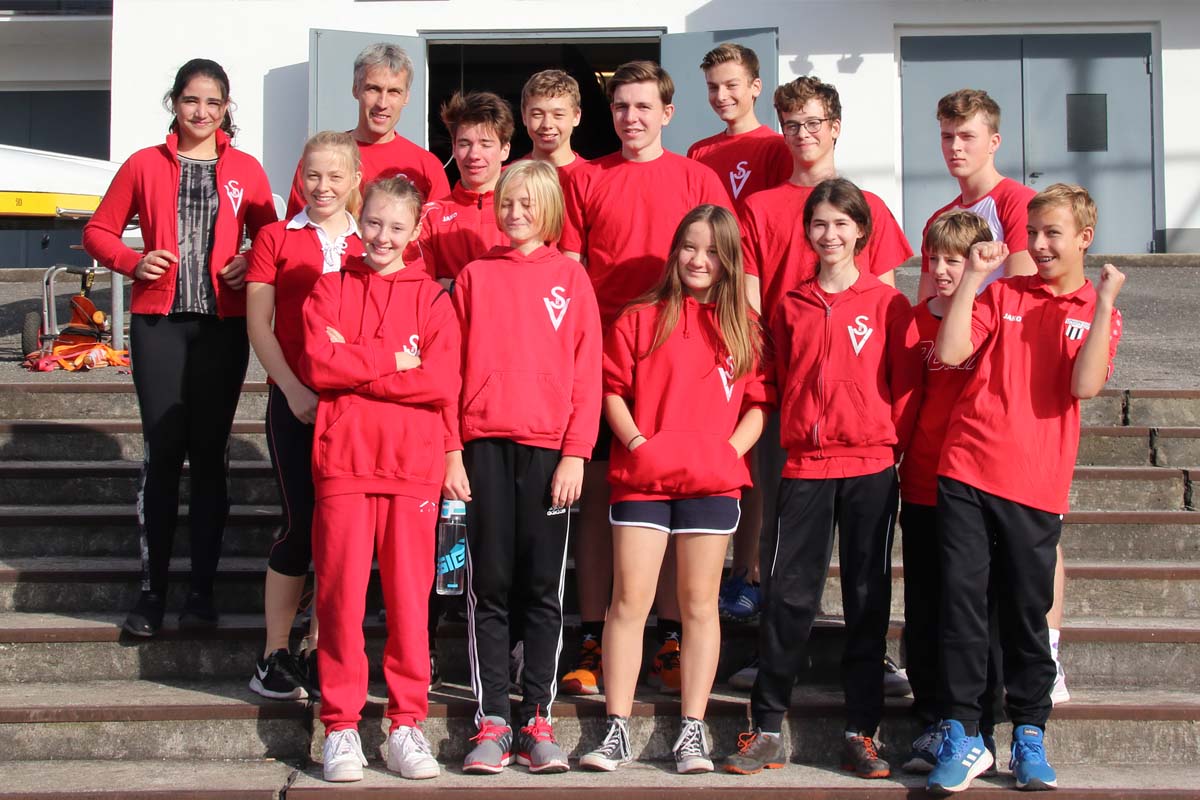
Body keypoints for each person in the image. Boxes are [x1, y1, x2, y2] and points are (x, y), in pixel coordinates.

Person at [927, 183, 1124, 795]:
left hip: (1036, 484)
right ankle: (966, 733)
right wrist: (972, 282)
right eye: (1031, 232)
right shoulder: (1004, 291)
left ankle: (1030, 733)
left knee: (1025, 614)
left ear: (1083, 239)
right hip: (966, 469)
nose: (1037, 245)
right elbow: (951, 349)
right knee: (960, 608)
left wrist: (1105, 301)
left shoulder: (1100, 309)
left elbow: (1086, 386)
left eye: (1052, 234)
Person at [725, 178, 920, 780]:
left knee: (867, 599)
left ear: (862, 231)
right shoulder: (791, 304)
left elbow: (907, 388)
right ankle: (766, 727)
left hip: (869, 466)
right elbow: (771, 379)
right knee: (788, 597)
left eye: (842, 224)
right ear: (806, 232)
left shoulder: (889, 306)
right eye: (819, 224)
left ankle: (862, 732)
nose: (830, 234)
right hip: (805, 466)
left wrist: (897, 451)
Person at [727, 75, 913, 690]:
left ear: (835, 125)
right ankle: (778, 655)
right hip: (790, 393)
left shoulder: (868, 207)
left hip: (858, 415)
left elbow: (883, 307)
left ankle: (872, 655)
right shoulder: (756, 207)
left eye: (812, 123)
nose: (802, 135)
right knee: (784, 543)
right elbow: (751, 304)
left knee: (865, 559)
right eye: (791, 125)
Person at [83, 58, 276, 637]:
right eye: (192, 100)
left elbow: (272, 228)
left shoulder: (244, 167)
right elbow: (98, 231)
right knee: (164, 453)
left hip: (221, 325)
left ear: (225, 109)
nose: (202, 112)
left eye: (214, 103)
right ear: (175, 102)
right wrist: (133, 261)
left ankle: (201, 592)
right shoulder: (144, 164)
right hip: (158, 323)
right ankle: (152, 591)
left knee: (211, 456)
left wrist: (251, 259)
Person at [558, 60, 731, 699]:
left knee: (673, 507)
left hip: (684, 370)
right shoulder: (588, 178)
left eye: (642, 106)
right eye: (621, 107)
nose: (631, 118)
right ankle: (594, 637)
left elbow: (728, 263)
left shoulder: (698, 177)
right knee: (608, 504)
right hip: (605, 363)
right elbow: (572, 273)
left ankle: (665, 639)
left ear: (667, 111)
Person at [579, 204, 768, 775]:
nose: (699, 259)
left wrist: (727, 451)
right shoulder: (641, 316)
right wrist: (636, 442)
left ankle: (692, 728)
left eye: (712, 250)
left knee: (699, 606)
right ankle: (616, 728)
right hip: (643, 478)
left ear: (729, 257)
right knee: (629, 602)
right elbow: (611, 389)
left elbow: (759, 404)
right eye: (689, 246)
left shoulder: (744, 328)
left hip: (711, 482)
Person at [442, 159, 601, 775]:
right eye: (507, 202)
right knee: (491, 586)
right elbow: (448, 372)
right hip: (482, 446)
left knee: (541, 589)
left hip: (549, 453)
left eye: (529, 204)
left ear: (551, 210)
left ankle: (537, 716)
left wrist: (576, 453)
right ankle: (492, 721)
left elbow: (589, 375)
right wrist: (452, 449)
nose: (515, 213)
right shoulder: (474, 276)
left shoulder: (571, 278)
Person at [300, 177, 461, 783]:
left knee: (408, 603)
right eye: (373, 223)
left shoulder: (433, 298)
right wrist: (395, 360)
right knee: (340, 597)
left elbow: (442, 381)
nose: (382, 237)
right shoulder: (329, 287)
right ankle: (341, 726)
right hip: (344, 458)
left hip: (411, 465)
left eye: (397, 227)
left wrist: (355, 365)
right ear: (356, 218)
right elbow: (319, 364)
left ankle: (405, 724)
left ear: (416, 232)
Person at [921, 88, 1072, 707]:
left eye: (968, 136)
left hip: (1017, 391)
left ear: (994, 140)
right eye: (947, 136)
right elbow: (935, 300)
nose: (956, 148)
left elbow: (1014, 291)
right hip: (965, 395)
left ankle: (1049, 654)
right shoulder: (942, 215)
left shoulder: (1017, 203)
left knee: (1035, 539)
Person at [245, 131, 364, 700]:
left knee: (340, 532)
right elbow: (259, 325)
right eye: (313, 175)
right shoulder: (276, 237)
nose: (323, 187)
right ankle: (274, 653)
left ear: (354, 182)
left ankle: (322, 648)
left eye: (335, 177)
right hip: (294, 400)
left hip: (357, 411)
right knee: (299, 524)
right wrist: (291, 389)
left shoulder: (375, 240)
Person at [897, 210, 1004, 774]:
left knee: (973, 607)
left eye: (953, 260)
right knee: (926, 605)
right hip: (919, 482)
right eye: (934, 258)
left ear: (979, 263)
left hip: (977, 484)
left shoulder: (992, 319)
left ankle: (977, 722)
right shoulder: (912, 322)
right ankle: (933, 715)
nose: (940, 270)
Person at [284, 43, 448, 219]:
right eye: (373, 89)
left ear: (406, 97)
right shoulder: (320, 157)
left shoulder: (427, 166)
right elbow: (297, 232)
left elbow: (438, 238)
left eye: (394, 92)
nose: (382, 103)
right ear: (356, 89)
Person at [416, 91, 514, 282]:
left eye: (485, 144)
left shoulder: (525, 213)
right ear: (453, 148)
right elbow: (423, 287)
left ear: (505, 150)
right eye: (465, 143)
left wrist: (450, 284)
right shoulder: (430, 218)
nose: (474, 154)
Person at [687, 42, 791, 211]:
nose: (721, 96)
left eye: (731, 86)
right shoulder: (698, 152)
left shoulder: (778, 148)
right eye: (713, 87)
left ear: (755, 87)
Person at [520, 69, 587, 180]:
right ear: (524, 116)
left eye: (558, 115)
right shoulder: (507, 177)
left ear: (576, 116)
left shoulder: (594, 178)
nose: (547, 124)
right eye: (537, 114)